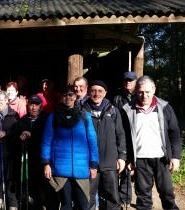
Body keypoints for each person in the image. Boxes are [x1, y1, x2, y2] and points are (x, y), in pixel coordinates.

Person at [122, 75, 181, 210]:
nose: (144, 95)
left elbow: (175, 134)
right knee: (143, 197)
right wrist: (128, 159)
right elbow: (124, 136)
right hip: (140, 160)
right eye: (141, 92)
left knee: (167, 194)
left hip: (161, 158)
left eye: (147, 92)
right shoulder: (128, 110)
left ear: (154, 90)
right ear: (136, 91)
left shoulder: (165, 107)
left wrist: (175, 156)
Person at [41, 85, 99, 210]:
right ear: (61, 98)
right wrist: (46, 163)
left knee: (83, 205)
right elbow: (47, 141)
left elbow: (92, 142)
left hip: (81, 168)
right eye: (64, 95)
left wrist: (94, 165)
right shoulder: (53, 117)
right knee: (65, 205)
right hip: (60, 168)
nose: (68, 98)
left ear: (75, 96)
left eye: (70, 95)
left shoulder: (85, 117)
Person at [82, 80, 126, 210]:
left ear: (105, 93)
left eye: (100, 91)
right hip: (89, 164)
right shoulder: (82, 112)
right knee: (88, 198)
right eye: (94, 91)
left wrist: (122, 157)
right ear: (89, 92)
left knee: (112, 197)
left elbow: (121, 135)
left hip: (110, 162)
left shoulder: (113, 111)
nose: (97, 94)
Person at [13, 94, 47, 209]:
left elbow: (47, 137)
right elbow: (14, 136)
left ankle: (40, 205)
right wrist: (20, 136)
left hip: (40, 159)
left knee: (40, 187)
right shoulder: (22, 121)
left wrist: (33, 135)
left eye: (36, 105)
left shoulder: (45, 120)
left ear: (40, 106)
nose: (33, 107)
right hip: (25, 159)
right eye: (31, 104)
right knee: (26, 184)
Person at [112, 71, 137, 208]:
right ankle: (114, 196)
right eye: (126, 80)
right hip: (119, 136)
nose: (128, 82)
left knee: (129, 169)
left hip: (133, 138)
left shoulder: (139, 97)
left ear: (135, 82)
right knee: (117, 167)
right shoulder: (116, 97)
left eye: (131, 80)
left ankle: (125, 199)